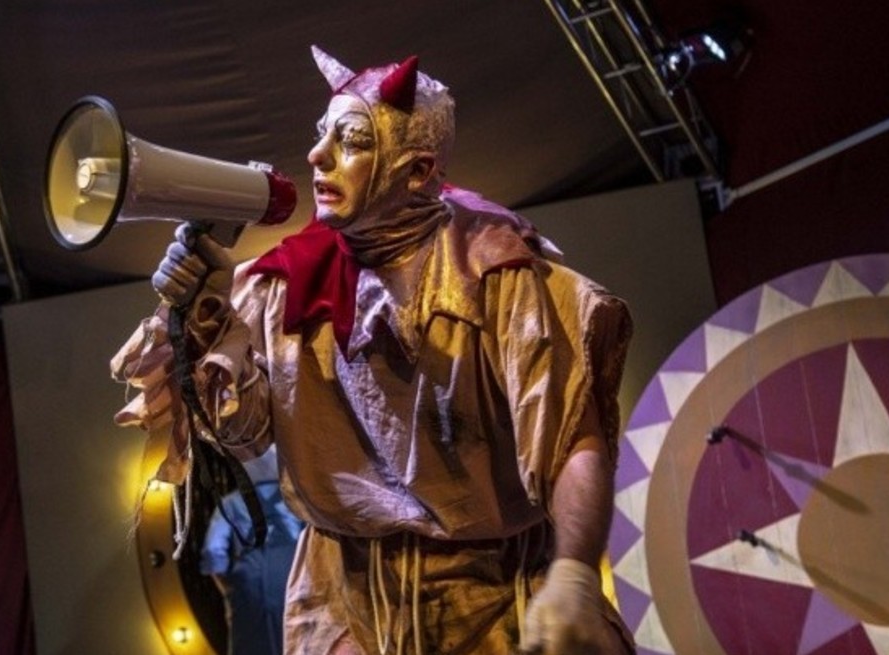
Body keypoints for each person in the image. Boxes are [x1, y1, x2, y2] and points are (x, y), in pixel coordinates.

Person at [113, 45, 635, 655]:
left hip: (497, 597)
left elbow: (571, 441)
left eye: (352, 141)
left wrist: (574, 573)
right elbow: (244, 434)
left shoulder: (497, 277)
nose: (317, 155)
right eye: (321, 134)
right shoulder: (283, 284)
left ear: (417, 171)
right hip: (343, 599)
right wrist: (206, 315)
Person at [200, 446, 306, 655]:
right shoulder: (300, 499)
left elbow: (213, 552)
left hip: (249, 584)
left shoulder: (230, 503)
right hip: (294, 580)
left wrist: (228, 592)